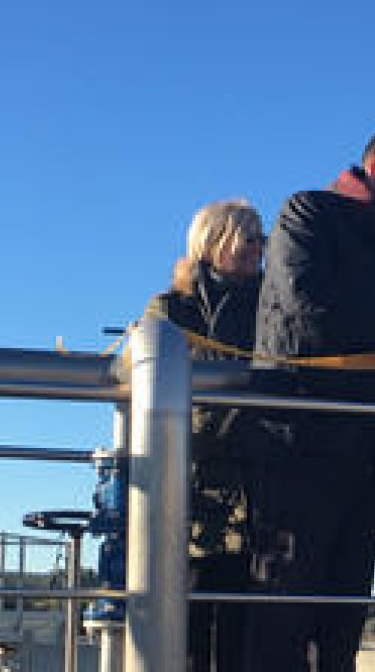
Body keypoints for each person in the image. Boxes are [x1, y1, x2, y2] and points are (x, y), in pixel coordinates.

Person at [248, 126, 375, 671]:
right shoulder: (308, 213)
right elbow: (306, 305)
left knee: (342, 627)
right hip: (300, 451)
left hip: (367, 462)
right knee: (282, 620)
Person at [147, 199, 266, 672]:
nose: (260, 247)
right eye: (249, 236)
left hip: (258, 493)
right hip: (191, 494)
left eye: (262, 237)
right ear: (213, 242)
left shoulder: (274, 306)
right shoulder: (172, 308)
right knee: (189, 631)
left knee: (244, 635)